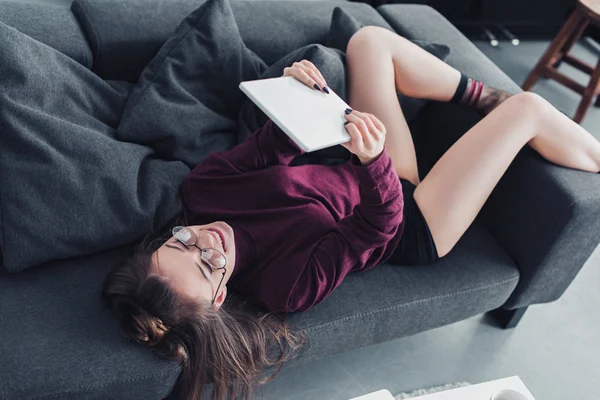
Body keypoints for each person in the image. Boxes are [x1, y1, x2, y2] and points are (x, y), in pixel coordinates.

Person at [102, 27, 600, 400]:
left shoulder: (203, 189)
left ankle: (486, 98)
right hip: (410, 223)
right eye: (208, 265)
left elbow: (272, 146)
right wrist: (373, 161)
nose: (207, 242)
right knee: (529, 110)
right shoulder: (285, 287)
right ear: (220, 294)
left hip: (365, 166)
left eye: (183, 243)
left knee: (369, 43)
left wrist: (295, 91)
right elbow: (375, 228)